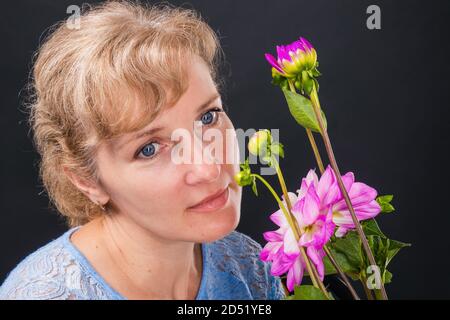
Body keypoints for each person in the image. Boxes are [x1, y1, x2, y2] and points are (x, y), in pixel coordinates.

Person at [0, 1, 285, 300]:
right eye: (149, 149)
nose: (209, 168)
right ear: (87, 180)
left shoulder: (250, 268)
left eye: (208, 117)